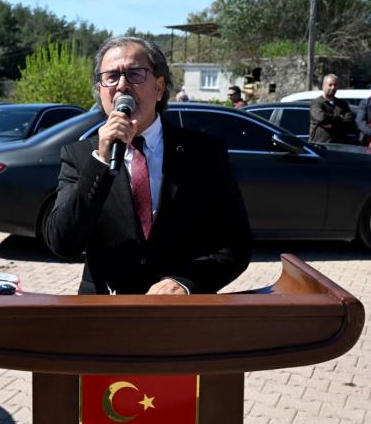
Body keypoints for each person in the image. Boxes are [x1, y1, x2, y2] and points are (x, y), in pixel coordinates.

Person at [43, 36, 251, 295]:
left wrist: (186, 282)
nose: (122, 85)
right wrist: (100, 161)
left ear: (159, 87)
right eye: (111, 76)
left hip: (179, 311)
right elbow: (62, 243)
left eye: (135, 74)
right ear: (100, 91)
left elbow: (236, 244)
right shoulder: (80, 156)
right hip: (106, 310)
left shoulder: (204, 153)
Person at [309, 74, 355, 143]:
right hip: (320, 146)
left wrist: (331, 123)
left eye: (335, 85)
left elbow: (349, 121)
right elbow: (322, 117)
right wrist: (341, 119)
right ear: (323, 86)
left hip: (340, 145)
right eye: (330, 85)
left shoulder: (342, 104)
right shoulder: (316, 103)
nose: (333, 87)